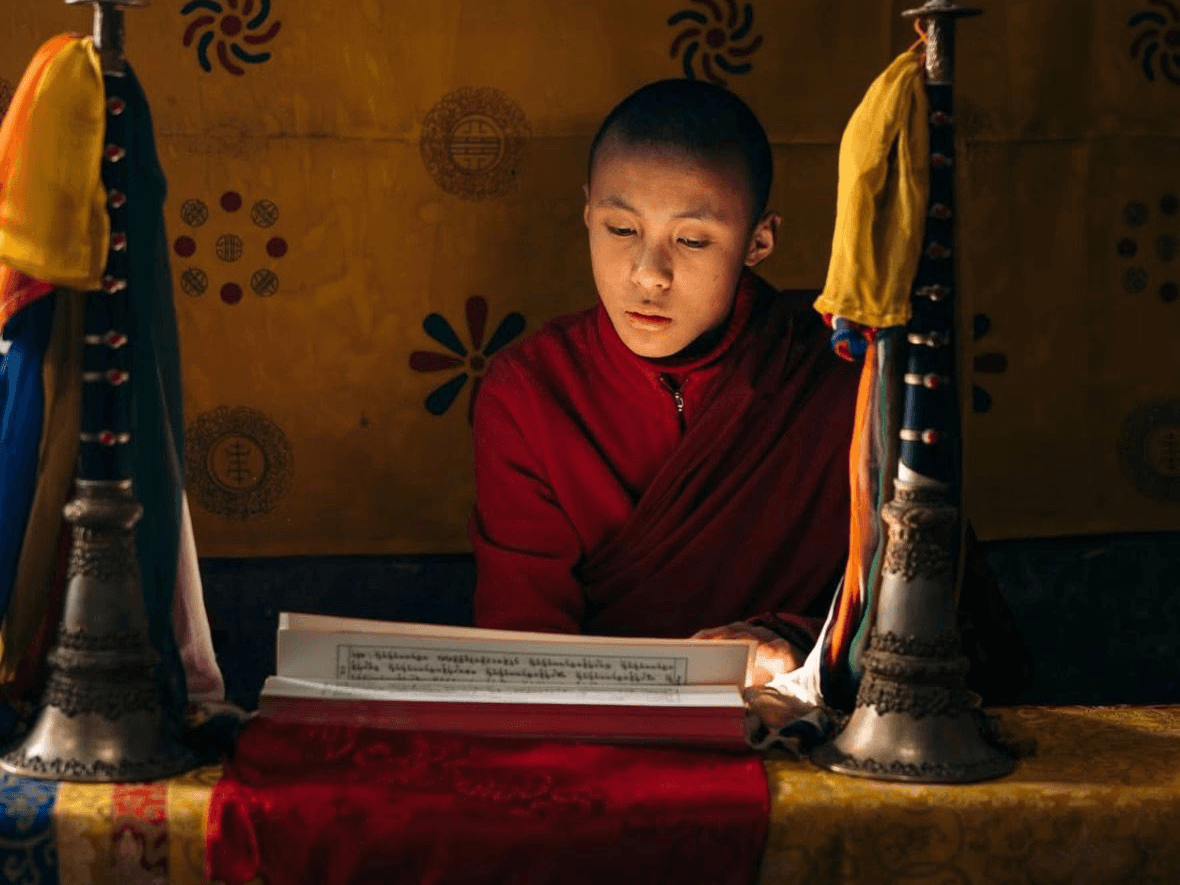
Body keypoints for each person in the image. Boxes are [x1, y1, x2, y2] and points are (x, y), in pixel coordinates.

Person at [469, 79, 860, 686]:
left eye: (692, 239)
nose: (649, 274)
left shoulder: (835, 371)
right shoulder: (530, 394)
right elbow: (523, 650)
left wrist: (794, 639)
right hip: (593, 734)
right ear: (587, 215)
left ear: (759, 241)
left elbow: (929, 615)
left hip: (798, 725)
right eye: (621, 230)